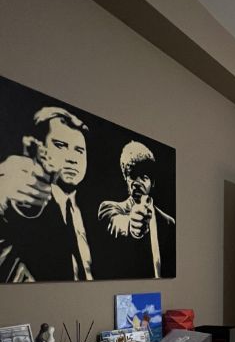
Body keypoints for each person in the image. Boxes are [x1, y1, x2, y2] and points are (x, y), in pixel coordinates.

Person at [0, 107, 92, 281]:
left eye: (79, 150)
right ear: (40, 148)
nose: (72, 158)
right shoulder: (24, 197)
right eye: (60, 146)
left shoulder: (92, 213)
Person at [98, 140, 175, 278]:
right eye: (132, 176)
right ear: (125, 178)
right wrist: (131, 225)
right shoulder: (108, 208)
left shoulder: (169, 222)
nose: (137, 183)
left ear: (153, 182)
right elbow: (116, 221)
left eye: (144, 177)